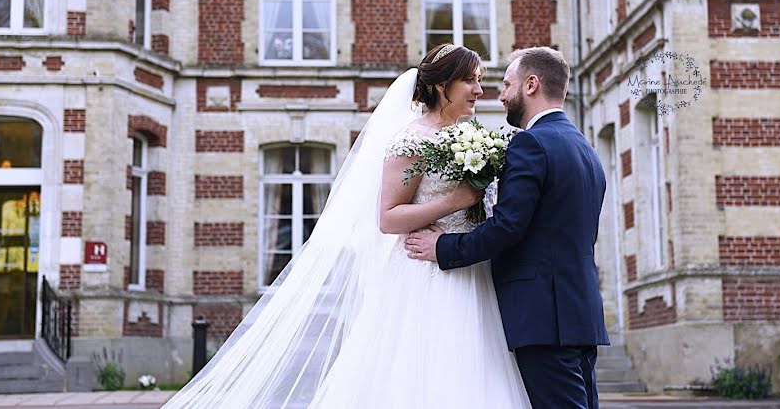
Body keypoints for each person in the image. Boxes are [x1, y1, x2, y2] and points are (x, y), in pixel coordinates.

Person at [161, 44, 530, 408]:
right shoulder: (410, 138)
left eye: (479, 80)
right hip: (424, 277)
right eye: (469, 80)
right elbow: (387, 217)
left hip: (472, 272)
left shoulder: (476, 138)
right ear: (440, 86)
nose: (479, 90)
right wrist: (453, 201)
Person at [406, 46, 610, 409]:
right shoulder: (585, 148)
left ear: (531, 85)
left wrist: (443, 248)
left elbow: (508, 227)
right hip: (580, 314)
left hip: (543, 317)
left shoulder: (531, 143)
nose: (498, 95)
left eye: (506, 84)